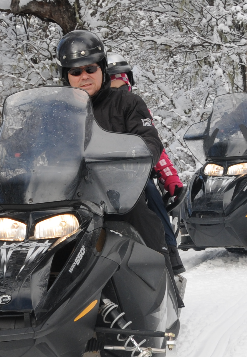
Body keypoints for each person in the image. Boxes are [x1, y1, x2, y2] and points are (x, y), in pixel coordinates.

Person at [57, 31, 177, 273]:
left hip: (119, 192)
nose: (84, 76)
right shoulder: (57, 112)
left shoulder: (127, 103)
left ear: (102, 69)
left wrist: (138, 158)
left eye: (90, 69)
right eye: (76, 71)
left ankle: (163, 272)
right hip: (68, 194)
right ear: (66, 76)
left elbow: (149, 138)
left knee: (142, 217)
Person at [105, 53, 187, 273]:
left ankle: (169, 256)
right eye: (112, 81)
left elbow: (153, 145)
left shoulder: (134, 107)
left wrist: (170, 178)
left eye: (121, 82)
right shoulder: (86, 108)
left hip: (133, 175)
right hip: (96, 177)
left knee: (151, 198)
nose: (117, 88)